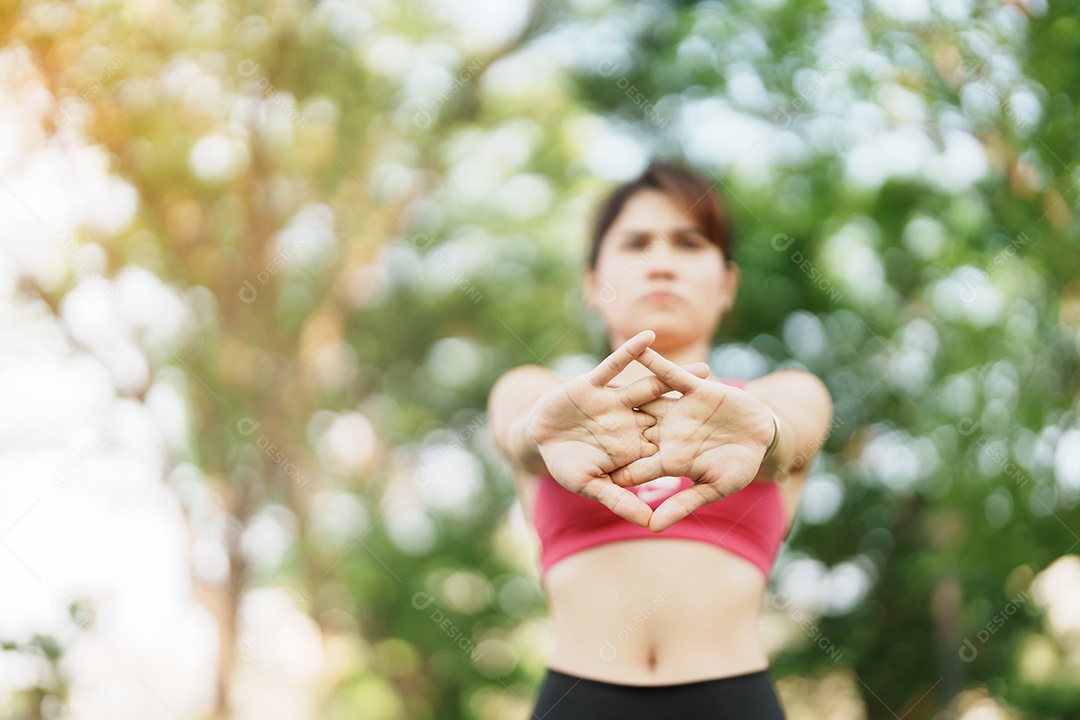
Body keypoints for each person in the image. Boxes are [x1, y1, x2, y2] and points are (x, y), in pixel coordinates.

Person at [487, 160, 834, 719]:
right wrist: (538, 436)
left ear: (726, 284)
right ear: (594, 284)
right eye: (637, 243)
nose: (662, 263)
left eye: (689, 243)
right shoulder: (535, 392)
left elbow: (789, 438)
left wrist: (767, 437)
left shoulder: (786, 393)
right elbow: (521, 432)